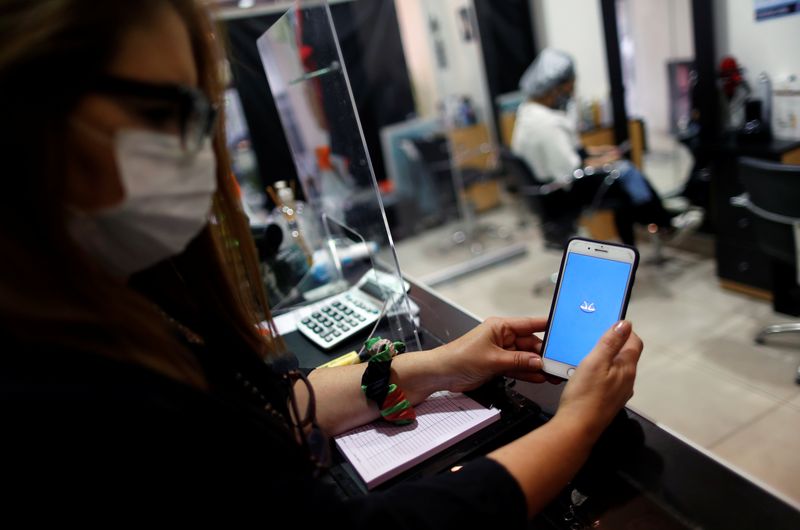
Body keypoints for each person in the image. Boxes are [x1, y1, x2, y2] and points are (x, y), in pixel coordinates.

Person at [0, 1, 643, 525]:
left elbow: (276, 405)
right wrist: (577, 425)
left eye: (204, 112)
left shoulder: (120, 308)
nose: (199, 147)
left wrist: (442, 366)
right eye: (167, 110)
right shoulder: (55, 396)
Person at [511, 48, 685, 246]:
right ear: (555, 88)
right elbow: (571, 170)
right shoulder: (548, 125)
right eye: (570, 87)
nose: (571, 93)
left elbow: (566, 153)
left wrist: (598, 153)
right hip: (564, 193)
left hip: (550, 190)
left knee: (625, 181)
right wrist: (605, 162)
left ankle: (656, 220)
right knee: (627, 175)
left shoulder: (527, 114)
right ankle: (662, 222)